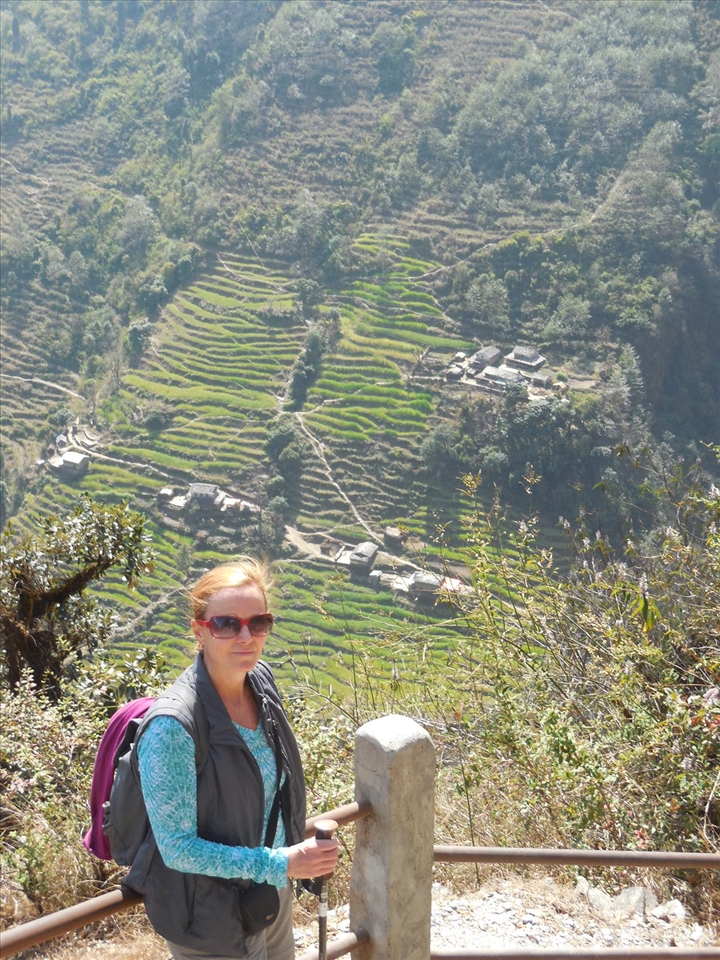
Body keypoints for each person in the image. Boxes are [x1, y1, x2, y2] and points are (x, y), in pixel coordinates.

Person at [131, 558, 339, 960]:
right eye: (227, 624)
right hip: (209, 914)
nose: (246, 636)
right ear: (199, 630)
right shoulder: (174, 726)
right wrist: (281, 862)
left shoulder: (260, 681)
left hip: (266, 893)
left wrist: (286, 864)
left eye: (258, 623)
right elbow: (177, 848)